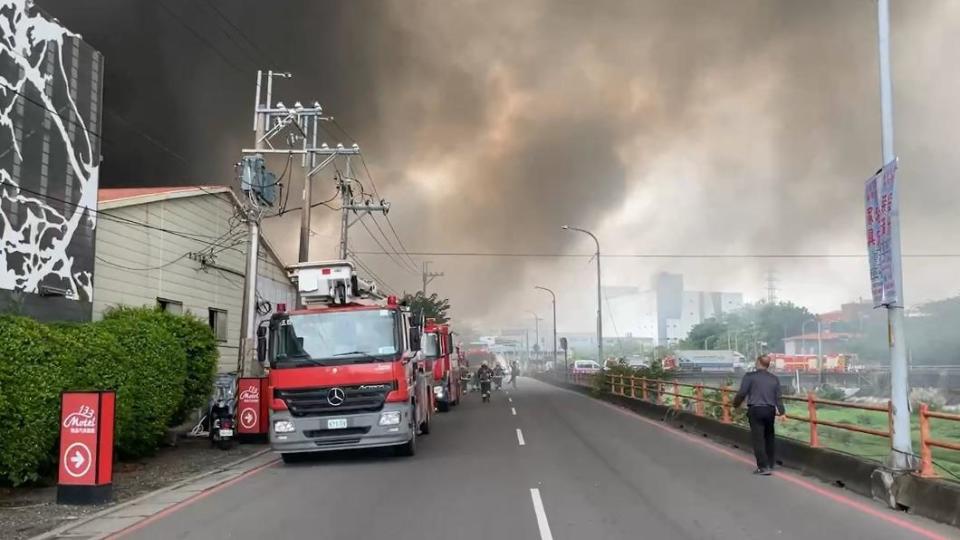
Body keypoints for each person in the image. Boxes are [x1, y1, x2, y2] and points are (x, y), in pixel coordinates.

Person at [733, 355, 785, 475]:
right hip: (770, 410)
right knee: (769, 437)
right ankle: (770, 463)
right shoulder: (774, 379)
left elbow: (742, 393)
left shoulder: (750, 376)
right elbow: (778, 398)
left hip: (756, 410)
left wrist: (735, 404)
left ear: (758, 363)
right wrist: (782, 412)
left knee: (758, 439)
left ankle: (763, 467)